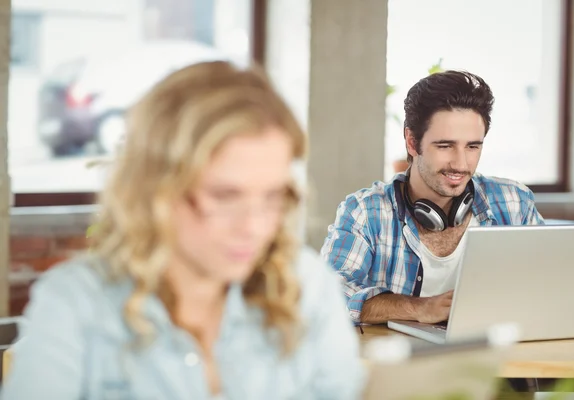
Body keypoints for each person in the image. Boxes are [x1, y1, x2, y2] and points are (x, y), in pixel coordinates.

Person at [2, 61, 364, 399]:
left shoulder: (307, 287)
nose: (253, 227)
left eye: (273, 196)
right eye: (224, 196)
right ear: (157, 187)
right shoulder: (76, 304)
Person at [321, 70, 544, 325]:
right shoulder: (365, 212)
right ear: (412, 142)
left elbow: (549, 284)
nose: (461, 164)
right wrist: (418, 308)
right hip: (399, 360)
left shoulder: (514, 203)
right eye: (445, 146)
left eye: (472, 146)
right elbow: (326, 295)